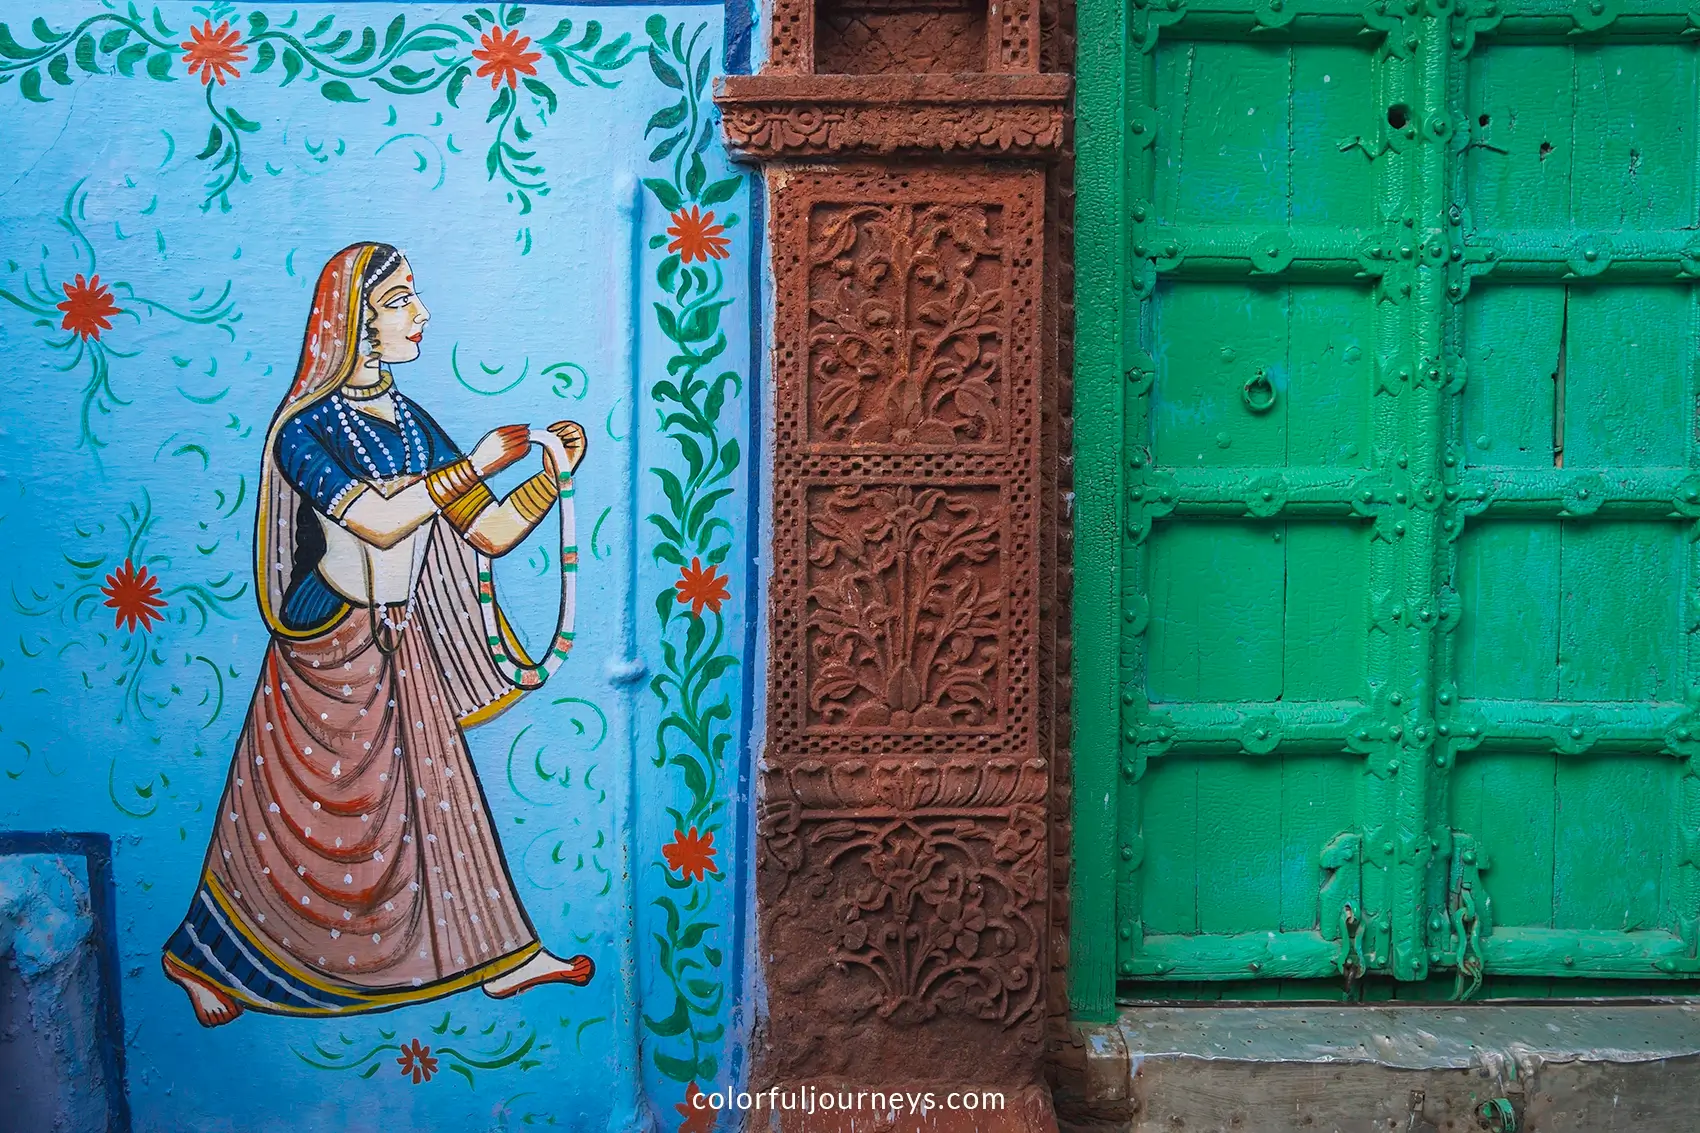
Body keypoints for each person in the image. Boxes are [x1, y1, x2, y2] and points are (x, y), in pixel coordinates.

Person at [162, 242, 592, 1026]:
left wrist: (548, 474)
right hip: (326, 651)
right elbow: (384, 522)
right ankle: (204, 959)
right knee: (291, 831)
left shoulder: (409, 422)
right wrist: (478, 464)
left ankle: (505, 958)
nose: (419, 314)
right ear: (355, 323)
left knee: (442, 809)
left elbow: (488, 533)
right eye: (400, 301)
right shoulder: (305, 430)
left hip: (403, 640)